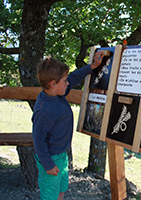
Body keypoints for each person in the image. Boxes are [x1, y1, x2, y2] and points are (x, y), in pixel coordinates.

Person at [32, 50, 104, 200]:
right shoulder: (44, 110)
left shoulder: (56, 93)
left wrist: (93, 66)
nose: (68, 83)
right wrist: (48, 165)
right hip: (51, 159)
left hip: (61, 155)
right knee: (49, 196)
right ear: (53, 84)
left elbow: (74, 77)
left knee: (61, 189)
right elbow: (38, 140)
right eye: (64, 81)